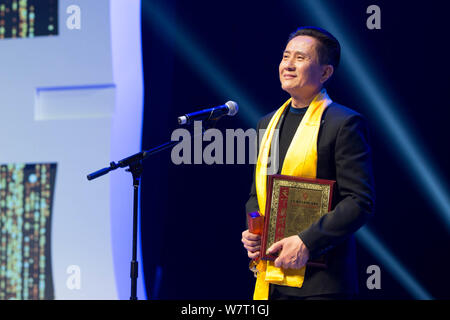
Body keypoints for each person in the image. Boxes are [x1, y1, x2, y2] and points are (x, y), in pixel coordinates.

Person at [241, 26, 375, 300]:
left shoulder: (344, 123)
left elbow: (359, 201)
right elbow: (259, 193)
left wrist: (306, 242)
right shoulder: (267, 124)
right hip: (272, 277)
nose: (288, 65)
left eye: (300, 58)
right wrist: (254, 231)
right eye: (285, 56)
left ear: (325, 73)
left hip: (322, 284)